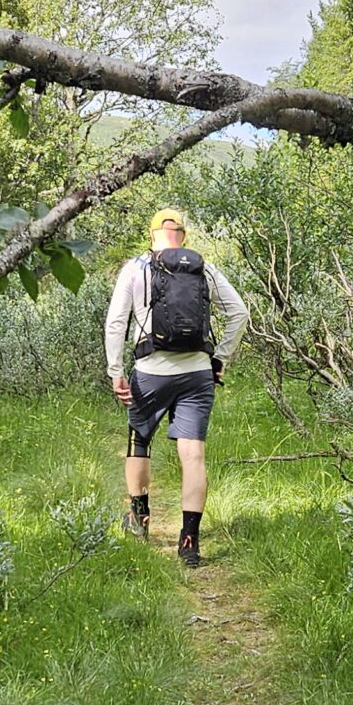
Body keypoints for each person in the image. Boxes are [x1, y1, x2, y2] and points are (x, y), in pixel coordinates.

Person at [104, 207, 251, 568]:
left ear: (152, 234)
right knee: (193, 456)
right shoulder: (205, 268)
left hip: (150, 371)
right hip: (198, 373)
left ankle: (139, 520)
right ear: (183, 236)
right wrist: (220, 359)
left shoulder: (136, 268)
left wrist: (115, 371)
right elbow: (240, 313)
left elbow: (116, 322)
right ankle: (189, 542)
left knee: (139, 441)